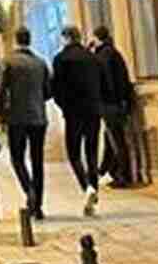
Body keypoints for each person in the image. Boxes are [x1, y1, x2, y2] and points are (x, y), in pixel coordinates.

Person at [0, 26, 51, 219]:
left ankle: (29, 191)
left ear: (15, 39)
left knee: (17, 158)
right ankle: (38, 206)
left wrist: (1, 115)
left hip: (17, 118)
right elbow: (48, 91)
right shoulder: (40, 62)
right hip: (38, 117)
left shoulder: (9, 62)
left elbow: (2, 91)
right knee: (38, 161)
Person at [52, 25, 104, 216]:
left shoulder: (60, 59)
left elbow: (56, 89)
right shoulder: (93, 58)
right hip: (93, 111)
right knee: (91, 152)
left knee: (74, 154)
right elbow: (102, 84)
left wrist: (64, 106)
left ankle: (87, 187)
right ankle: (94, 189)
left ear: (65, 38)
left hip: (73, 113)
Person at [92, 25, 134, 189]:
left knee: (117, 139)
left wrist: (107, 100)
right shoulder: (112, 52)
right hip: (117, 102)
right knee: (111, 137)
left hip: (111, 104)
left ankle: (123, 175)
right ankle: (106, 170)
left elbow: (107, 80)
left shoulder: (104, 55)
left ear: (97, 37)